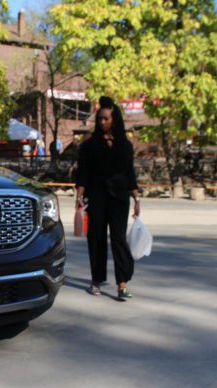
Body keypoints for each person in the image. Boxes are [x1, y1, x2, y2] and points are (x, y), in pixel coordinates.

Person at [75, 96, 140, 300]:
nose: (102, 122)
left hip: (119, 196)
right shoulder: (89, 145)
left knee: (118, 238)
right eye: (100, 119)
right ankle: (96, 280)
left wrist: (137, 199)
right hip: (96, 195)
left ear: (114, 119)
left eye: (106, 119)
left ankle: (122, 284)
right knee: (97, 237)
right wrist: (79, 195)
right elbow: (83, 172)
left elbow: (129, 173)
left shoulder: (125, 145)